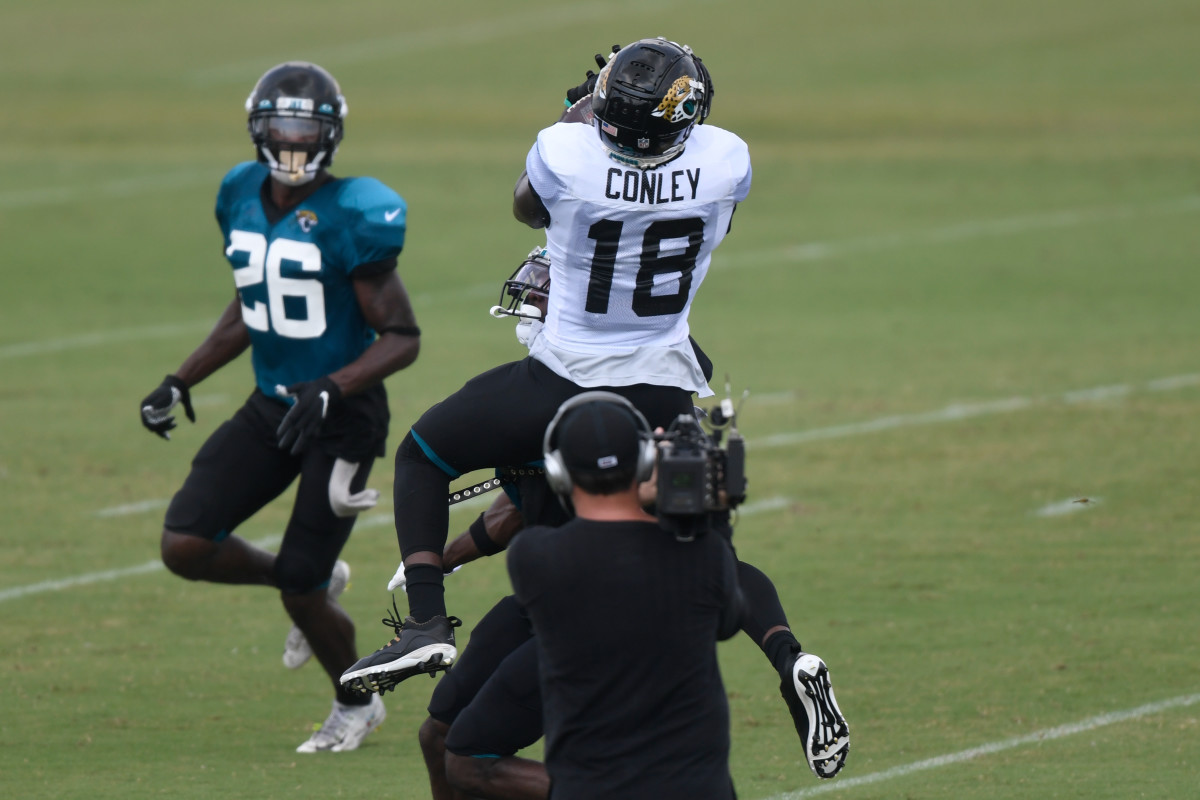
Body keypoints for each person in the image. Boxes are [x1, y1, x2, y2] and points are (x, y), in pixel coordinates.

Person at [341, 35, 748, 691]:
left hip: (565, 374)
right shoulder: (728, 160)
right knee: (696, 530)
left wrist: (580, 110)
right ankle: (764, 643)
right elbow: (708, 214)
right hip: (662, 382)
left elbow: (527, 207)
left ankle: (424, 623)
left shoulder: (566, 151)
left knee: (424, 454)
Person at [137, 61, 421, 753]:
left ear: (332, 132)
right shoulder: (237, 191)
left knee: (301, 584)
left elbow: (403, 336)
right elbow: (252, 304)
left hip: (343, 416)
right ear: (258, 128)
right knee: (185, 543)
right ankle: (317, 583)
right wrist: (183, 377)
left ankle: (356, 703)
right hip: (273, 404)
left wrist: (333, 385)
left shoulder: (356, 211)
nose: (293, 141)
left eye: (307, 128)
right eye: (282, 126)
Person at [505, 392, 743, 799]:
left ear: (559, 471)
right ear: (646, 459)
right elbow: (730, 620)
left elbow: (601, 546)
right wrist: (705, 516)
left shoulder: (533, 557)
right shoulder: (702, 553)